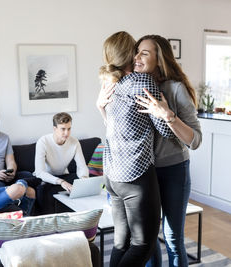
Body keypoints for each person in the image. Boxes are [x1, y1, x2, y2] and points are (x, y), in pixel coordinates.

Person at [96, 31, 175, 267]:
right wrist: (166, 110)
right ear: (131, 53)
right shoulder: (142, 81)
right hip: (135, 175)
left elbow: (113, 123)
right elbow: (167, 130)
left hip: (112, 175)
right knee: (143, 245)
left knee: (122, 242)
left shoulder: (110, 83)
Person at [134, 35, 202, 267]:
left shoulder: (175, 89)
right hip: (145, 173)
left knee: (173, 238)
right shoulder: (135, 85)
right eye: (137, 51)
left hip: (174, 171)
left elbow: (195, 140)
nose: (137, 57)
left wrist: (167, 115)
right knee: (148, 239)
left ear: (159, 58)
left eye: (144, 52)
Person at [33, 112, 89, 214]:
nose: (66, 133)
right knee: (43, 190)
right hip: (46, 178)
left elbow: (82, 167)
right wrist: (61, 182)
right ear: (55, 129)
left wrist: (84, 181)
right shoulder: (43, 142)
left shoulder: (74, 142)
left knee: (81, 186)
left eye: (69, 129)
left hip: (64, 175)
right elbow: (40, 172)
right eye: (63, 129)